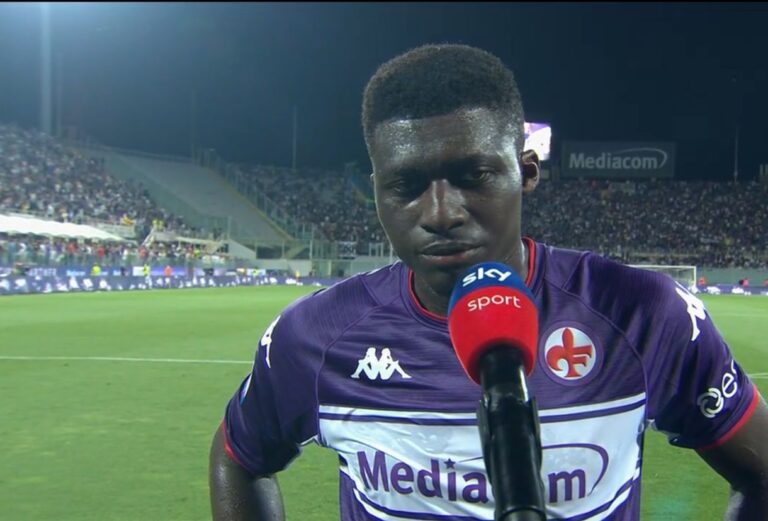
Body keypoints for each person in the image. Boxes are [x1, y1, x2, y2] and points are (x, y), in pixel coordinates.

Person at [209, 44, 768, 520]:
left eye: (473, 175)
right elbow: (238, 458)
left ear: (526, 171)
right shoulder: (316, 334)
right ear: (376, 190)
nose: (440, 213)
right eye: (406, 185)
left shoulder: (642, 314)